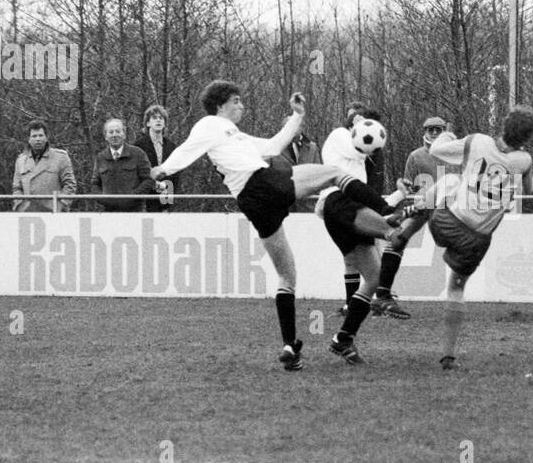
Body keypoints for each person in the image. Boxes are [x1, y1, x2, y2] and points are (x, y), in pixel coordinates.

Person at [150, 82, 397, 371]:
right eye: (236, 101)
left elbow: (272, 146)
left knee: (287, 276)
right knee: (333, 172)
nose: (242, 106)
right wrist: (165, 168)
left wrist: (297, 116)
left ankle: (290, 347)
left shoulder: (232, 135)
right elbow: (188, 148)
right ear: (221, 105)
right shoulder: (210, 124)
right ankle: (387, 211)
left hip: (253, 203)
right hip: (262, 184)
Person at [388, 106, 533, 370]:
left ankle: (408, 219)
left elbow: (436, 151)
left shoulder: (478, 141)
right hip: (476, 240)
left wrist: (447, 133)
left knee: (452, 180)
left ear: (504, 125)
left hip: (447, 223)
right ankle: (448, 355)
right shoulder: (523, 161)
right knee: (456, 289)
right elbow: (528, 191)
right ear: (527, 138)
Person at [318, 114, 420, 364]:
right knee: (393, 234)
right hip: (338, 203)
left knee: (373, 278)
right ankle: (384, 296)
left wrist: (399, 194)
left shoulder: (361, 161)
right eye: (359, 120)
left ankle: (343, 339)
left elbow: (366, 197)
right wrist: (387, 212)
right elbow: (354, 189)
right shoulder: (339, 136)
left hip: (348, 210)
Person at [370, 115, 451, 316]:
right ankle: (382, 296)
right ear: (424, 132)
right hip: (423, 207)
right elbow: (409, 186)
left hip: (447, 208)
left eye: (438, 129)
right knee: (397, 240)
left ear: (444, 131)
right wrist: (410, 202)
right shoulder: (416, 156)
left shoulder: (454, 154)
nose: (433, 133)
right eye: (430, 129)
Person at [12, 119, 77, 212]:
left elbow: (70, 185)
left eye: (40, 135)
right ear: (29, 139)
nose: (38, 139)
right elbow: (17, 188)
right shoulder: (21, 160)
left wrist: (61, 206)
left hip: (53, 213)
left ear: (46, 137)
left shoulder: (61, 157)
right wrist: (20, 206)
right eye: (34, 136)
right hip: (28, 214)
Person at [92, 118, 155, 212]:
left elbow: (149, 180)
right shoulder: (101, 157)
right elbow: (95, 184)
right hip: (108, 213)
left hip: (134, 212)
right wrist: (103, 199)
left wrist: (132, 197)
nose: (114, 135)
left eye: (118, 131)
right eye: (111, 132)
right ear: (105, 136)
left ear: (124, 134)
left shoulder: (138, 154)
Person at [133, 105, 180, 213]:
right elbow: (136, 174)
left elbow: (175, 175)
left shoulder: (172, 147)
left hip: (165, 200)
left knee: (162, 229)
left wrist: (168, 201)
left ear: (164, 123)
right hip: (144, 200)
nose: (158, 120)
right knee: (146, 228)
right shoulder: (138, 146)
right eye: (154, 118)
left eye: (161, 118)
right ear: (148, 123)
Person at [280, 116, 321, 212]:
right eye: (286, 127)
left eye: (293, 126)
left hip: (306, 205)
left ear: (302, 127)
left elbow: (318, 175)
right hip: (282, 206)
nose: (289, 129)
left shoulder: (312, 148)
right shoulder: (275, 148)